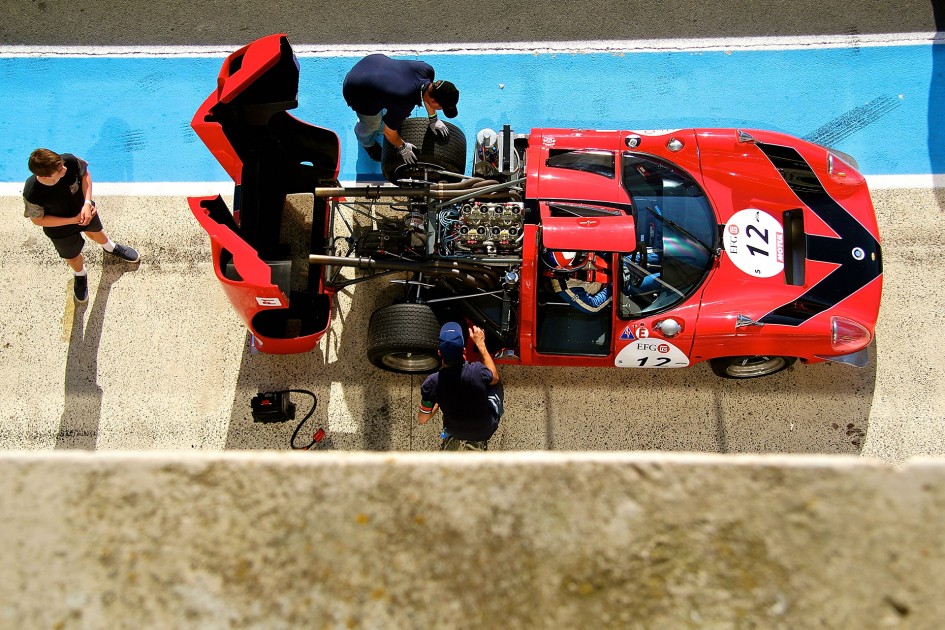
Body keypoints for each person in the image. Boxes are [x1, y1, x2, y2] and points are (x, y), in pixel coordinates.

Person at [23, 149, 139, 303]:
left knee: (96, 232)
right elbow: (38, 220)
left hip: (84, 211)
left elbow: (85, 175)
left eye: (62, 164)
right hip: (60, 229)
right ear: (45, 176)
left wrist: (87, 203)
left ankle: (110, 247)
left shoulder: (69, 161)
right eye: (59, 170)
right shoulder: (32, 192)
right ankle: (80, 274)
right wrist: (73, 220)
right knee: (72, 256)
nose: (64, 168)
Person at [342, 54, 459, 163]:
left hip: (372, 63)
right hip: (357, 88)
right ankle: (367, 143)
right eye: (441, 107)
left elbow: (428, 94)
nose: (440, 110)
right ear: (434, 101)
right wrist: (402, 148)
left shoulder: (427, 70)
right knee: (372, 124)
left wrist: (433, 119)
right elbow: (389, 133)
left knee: (388, 105)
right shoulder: (404, 101)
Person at [418, 322, 503, 451]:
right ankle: (477, 443)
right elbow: (495, 377)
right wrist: (481, 344)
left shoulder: (432, 383)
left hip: (455, 430)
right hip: (485, 430)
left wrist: (438, 401)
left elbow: (423, 419)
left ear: (440, 353)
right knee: (495, 383)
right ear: (464, 350)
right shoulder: (477, 371)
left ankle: (450, 436)